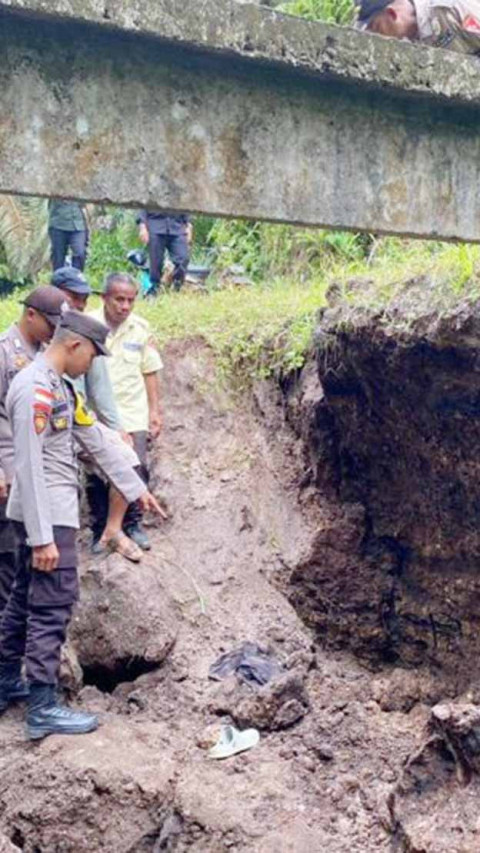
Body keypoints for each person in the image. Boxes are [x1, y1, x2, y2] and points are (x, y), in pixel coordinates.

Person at [0, 310, 162, 740]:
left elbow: (92, 439)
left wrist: (133, 486)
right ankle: (42, 705)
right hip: (45, 517)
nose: (92, 364)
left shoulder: (60, 388)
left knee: (20, 601)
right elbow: (29, 465)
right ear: (73, 345)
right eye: (91, 355)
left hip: (42, 515)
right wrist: (41, 538)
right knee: (52, 605)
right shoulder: (34, 388)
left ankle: (5, 683)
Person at [51, 266, 143, 562]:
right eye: (71, 298)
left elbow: (100, 390)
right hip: (44, 430)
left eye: (81, 299)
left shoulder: (86, 331)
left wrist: (117, 428)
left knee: (126, 456)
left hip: (79, 422)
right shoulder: (34, 338)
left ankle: (113, 530)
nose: (77, 305)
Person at [0, 287, 68, 617]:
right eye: (51, 323)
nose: (55, 332)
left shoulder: (46, 357)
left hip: (35, 472)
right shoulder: (4, 352)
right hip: (7, 464)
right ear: (30, 314)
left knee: (24, 559)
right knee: (7, 557)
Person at [89, 273, 163, 551]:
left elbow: (150, 370)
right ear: (105, 298)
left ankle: (131, 524)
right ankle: (101, 529)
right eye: (119, 299)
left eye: (131, 300)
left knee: (136, 466)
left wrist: (154, 411)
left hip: (132, 412)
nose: (125, 306)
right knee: (98, 472)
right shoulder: (88, 326)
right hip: (98, 414)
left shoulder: (140, 329)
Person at [356, 0, 480, 52]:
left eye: (375, 27)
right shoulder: (413, 42)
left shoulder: (448, 8)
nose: (372, 36)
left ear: (391, 14)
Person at [137, 209, 192, 293]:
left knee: (183, 258)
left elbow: (185, 204)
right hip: (155, 226)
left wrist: (189, 226)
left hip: (176, 227)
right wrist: (142, 227)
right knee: (156, 262)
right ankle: (155, 289)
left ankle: (176, 286)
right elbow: (143, 207)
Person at [48, 200, 88, 271]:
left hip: (78, 223)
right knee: (58, 257)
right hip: (58, 223)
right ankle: (59, 279)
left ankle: (75, 278)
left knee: (80, 252)